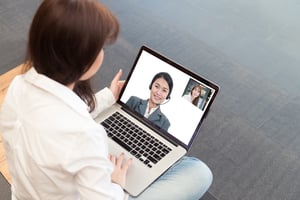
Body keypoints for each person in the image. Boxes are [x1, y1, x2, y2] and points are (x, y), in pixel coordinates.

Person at [0, 0, 213, 199]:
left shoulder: (18, 88)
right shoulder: (86, 135)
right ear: (85, 60)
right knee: (199, 172)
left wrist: (109, 96)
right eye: (100, 47)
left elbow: (59, 115)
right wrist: (117, 183)